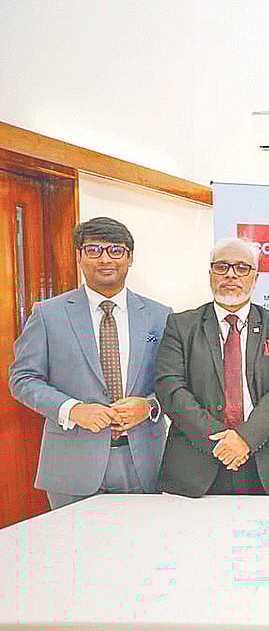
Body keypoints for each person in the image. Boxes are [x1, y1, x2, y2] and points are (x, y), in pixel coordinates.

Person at [9, 217, 171, 509]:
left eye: (116, 250)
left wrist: (149, 407)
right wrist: (72, 409)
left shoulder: (160, 315)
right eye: (94, 250)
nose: (105, 259)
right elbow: (23, 379)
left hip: (145, 462)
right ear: (79, 256)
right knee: (74, 540)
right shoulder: (48, 314)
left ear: (130, 258)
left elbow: (175, 381)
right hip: (72, 465)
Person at [154, 237, 269, 496]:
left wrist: (245, 439)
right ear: (210, 274)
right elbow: (170, 389)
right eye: (222, 267)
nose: (231, 275)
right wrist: (222, 441)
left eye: (242, 268)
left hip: (265, 461)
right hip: (196, 462)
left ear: (255, 278)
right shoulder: (181, 326)